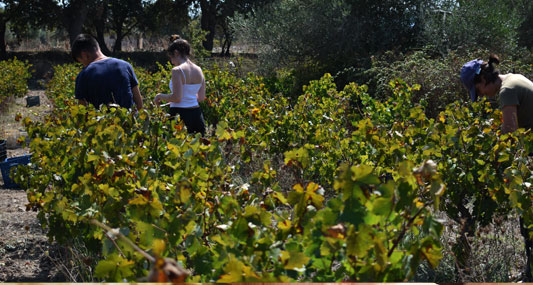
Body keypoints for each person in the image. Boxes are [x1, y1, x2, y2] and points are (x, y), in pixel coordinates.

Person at [461, 54, 533, 134]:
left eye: (478, 90)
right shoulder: (515, 77)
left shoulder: (507, 90)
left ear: (483, 79)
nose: (481, 95)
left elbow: (511, 132)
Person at [72, 34, 143, 110]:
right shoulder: (126, 66)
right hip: (129, 120)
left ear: (85, 55)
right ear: (97, 48)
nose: (84, 65)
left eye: (82, 62)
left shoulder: (83, 75)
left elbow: (82, 113)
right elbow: (139, 104)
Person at [154, 35, 206, 136]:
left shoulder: (177, 70)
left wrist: (159, 96)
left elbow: (177, 98)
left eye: (171, 57)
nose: (171, 62)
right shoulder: (199, 69)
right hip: (197, 115)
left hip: (180, 116)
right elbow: (201, 98)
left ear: (176, 53)